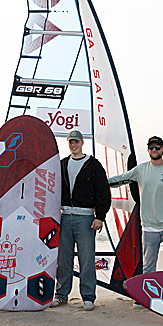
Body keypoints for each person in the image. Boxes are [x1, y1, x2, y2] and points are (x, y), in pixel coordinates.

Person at [107, 135, 163, 274]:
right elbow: (121, 179)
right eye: (151, 148)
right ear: (148, 150)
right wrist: (101, 182)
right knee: (148, 268)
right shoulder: (141, 169)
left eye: (157, 147)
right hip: (149, 228)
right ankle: (149, 289)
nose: (154, 150)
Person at [51, 129, 111, 311]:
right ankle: (61, 295)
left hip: (86, 219)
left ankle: (88, 297)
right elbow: (51, 190)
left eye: (76, 141)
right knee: (63, 260)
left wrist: (100, 217)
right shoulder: (62, 164)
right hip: (64, 217)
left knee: (87, 260)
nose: (73, 145)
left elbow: (103, 192)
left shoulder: (93, 165)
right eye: (71, 142)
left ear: (82, 143)